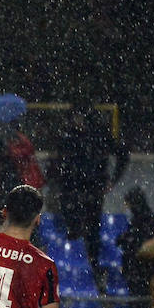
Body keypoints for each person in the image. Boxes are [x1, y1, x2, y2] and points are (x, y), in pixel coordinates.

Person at [50, 105, 128, 273]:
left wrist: (112, 180)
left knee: (91, 230)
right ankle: (76, 266)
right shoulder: (70, 137)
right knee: (75, 228)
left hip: (90, 189)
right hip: (74, 189)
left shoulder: (97, 136)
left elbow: (122, 154)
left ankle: (90, 266)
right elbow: (56, 162)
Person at [115, 187, 154, 308]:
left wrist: (126, 240)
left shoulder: (143, 221)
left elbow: (141, 245)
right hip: (141, 274)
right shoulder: (145, 220)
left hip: (141, 275)